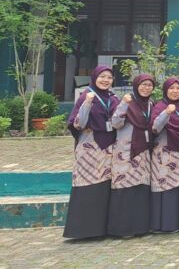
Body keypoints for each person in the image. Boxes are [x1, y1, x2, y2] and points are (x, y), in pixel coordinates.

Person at [63, 65, 119, 239]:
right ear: (94, 77)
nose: (105, 80)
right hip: (89, 149)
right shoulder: (86, 95)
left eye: (109, 77)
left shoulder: (113, 98)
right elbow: (78, 123)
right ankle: (83, 230)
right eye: (102, 76)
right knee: (87, 186)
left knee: (104, 187)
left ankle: (101, 229)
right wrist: (87, 103)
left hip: (108, 149)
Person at [108, 74, 155, 237]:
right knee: (125, 187)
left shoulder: (150, 104)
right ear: (136, 85)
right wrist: (124, 104)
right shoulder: (128, 102)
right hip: (126, 152)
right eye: (143, 84)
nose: (146, 88)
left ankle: (140, 227)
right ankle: (122, 229)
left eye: (149, 85)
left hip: (144, 152)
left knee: (140, 188)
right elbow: (116, 123)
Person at [150, 77, 179, 233]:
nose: (175, 91)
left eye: (178, 88)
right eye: (172, 88)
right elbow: (155, 127)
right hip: (164, 153)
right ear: (165, 90)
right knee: (165, 186)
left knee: (178, 186)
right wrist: (166, 113)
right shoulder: (160, 106)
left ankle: (178, 223)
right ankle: (164, 224)